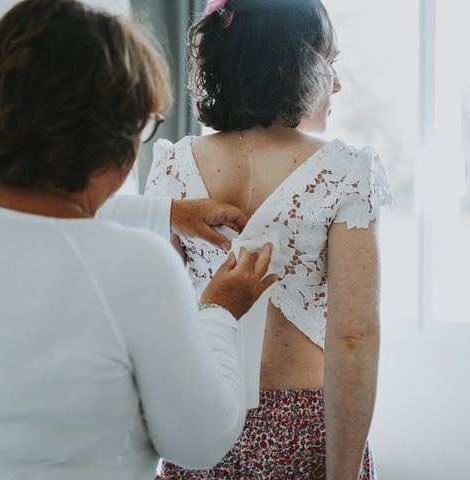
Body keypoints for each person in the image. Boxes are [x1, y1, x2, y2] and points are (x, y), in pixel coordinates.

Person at [0, 1, 278, 479]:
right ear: (113, 137)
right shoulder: (136, 267)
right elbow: (200, 440)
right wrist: (218, 313)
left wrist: (167, 212)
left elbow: (34, 212)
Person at [145, 0, 393, 478]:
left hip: (205, 416)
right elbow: (354, 335)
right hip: (306, 429)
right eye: (330, 63)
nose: (336, 84)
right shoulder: (346, 171)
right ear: (295, 66)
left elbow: (162, 324)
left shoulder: (171, 167)